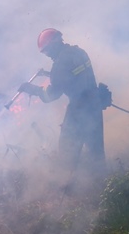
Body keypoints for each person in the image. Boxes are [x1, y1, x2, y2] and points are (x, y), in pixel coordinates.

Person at [18, 28, 107, 175]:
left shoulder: (60, 64)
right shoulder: (79, 52)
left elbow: (51, 95)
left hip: (78, 111)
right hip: (94, 105)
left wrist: (32, 89)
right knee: (96, 153)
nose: (48, 55)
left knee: (67, 155)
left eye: (47, 51)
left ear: (53, 45)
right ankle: (104, 184)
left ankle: (66, 185)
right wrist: (49, 74)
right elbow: (74, 76)